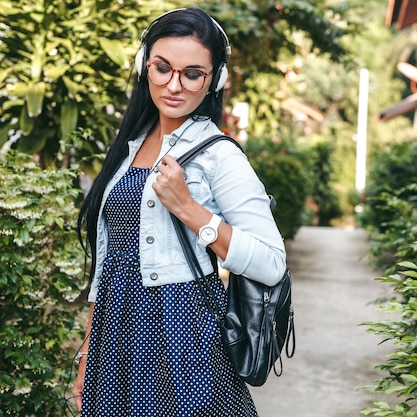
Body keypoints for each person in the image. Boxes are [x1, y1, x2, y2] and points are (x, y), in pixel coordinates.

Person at [72, 7, 287, 417]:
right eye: (162, 68)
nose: (174, 85)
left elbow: (272, 262)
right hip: (115, 337)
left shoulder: (219, 156)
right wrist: (87, 355)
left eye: (192, 73)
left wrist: (190, 210)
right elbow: (108, 265)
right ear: (144, 68)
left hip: (182, 333)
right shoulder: (129, 146)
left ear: (214, 81)